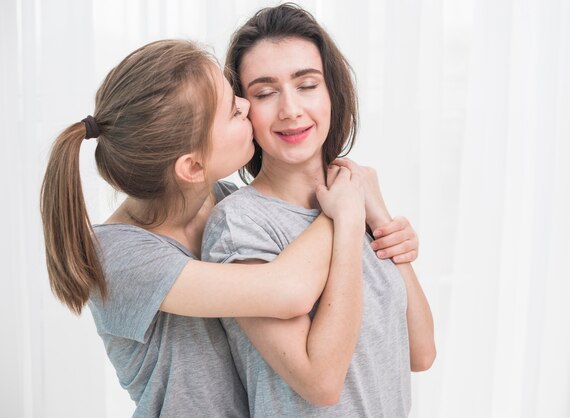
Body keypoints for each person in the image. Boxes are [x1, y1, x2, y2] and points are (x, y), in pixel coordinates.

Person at [40, 39, 418, 417]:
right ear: (192, 168)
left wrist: (387, 232)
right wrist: (345, 206)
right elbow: (288, 290)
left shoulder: (222, 199)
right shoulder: (121, 259)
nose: (247, 104)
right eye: (232, 111)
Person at [202, 4, 435, 417]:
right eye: (265, 92)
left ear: (332, 92)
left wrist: (379, 220)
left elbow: (421, 351)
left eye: (307, 84)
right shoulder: (239, 224)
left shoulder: (351, 194)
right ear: (243, 110)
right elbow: (320, 384)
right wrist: (345, 220)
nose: (290, 109)